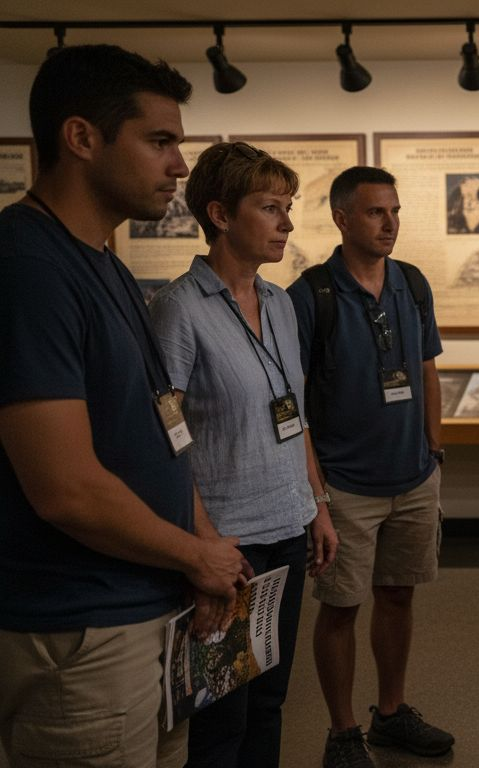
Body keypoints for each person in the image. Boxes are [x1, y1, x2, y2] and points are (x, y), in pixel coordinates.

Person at [0, 45, 250, 768]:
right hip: (82, 633)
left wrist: (202, 553)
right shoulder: (30, 268)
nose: (179, 164)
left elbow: (164, 425)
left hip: (147, 607)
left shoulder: (103, 261)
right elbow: (66, 488)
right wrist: (196, 555)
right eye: (160, 140)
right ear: (81, 138)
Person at [146, 141, 340, 768]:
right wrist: (204, 548)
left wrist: (318, 505)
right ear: (221, 214)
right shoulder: (180, 309)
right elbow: (165, 439)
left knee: (269, 700)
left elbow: (295, 412)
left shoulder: (281, 302)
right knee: (221, 710)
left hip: (286, 529)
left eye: (289, 207)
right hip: (229, 542)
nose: (286, 222)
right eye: (269, 207)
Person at [287, 167, 453, 768]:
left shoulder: (411, 282)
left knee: (398, 596)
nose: (390, 224)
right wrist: (318, 495)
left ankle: (390, 713)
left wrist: (433, 448)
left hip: (412, 476)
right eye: (375, 213)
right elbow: (292, 401)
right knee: (340, 608)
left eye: (395, 211)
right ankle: (341, 731)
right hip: (345, 485)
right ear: (341, 218)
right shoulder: (310, 295)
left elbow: (428, 367)